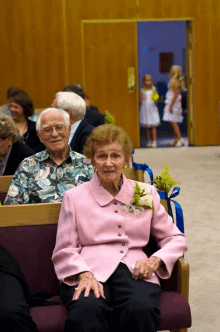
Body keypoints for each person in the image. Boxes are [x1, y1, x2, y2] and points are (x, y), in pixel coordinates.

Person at [52, 124, 187, 332]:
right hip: (90, 270)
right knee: (87, 312)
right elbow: (64, 249)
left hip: (136, 270)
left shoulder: (141, 193)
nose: (108, 163)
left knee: (140, 309)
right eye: (101, 156)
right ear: (92, 160)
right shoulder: (75, 197)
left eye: (115, 156)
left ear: (125, 160)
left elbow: (175, 238)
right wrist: (83, 274)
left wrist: (155, 260)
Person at [4, 108, 94, 205]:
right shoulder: (27, 166)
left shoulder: (87, 164)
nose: (54, 134)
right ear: (40, 136)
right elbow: (12, 207)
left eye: (59, 127)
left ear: (69, 130)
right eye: (47, 130)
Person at [163, 65, 185, 147]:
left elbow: (175, 95)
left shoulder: (174, 81)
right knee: (172, 120)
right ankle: (175, 139)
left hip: (173, 103)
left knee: (173, 121)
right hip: (174, 102)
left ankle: (180, 139)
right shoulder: (175, 81)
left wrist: (171, 106)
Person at [139, 74, 160, 148]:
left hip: (152, 108)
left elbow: (156, 100)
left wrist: (155, 99)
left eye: (149, 80)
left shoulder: (154, 89)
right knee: (147, 126)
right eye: (146, 80)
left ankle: (154, 141)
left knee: (153, 126)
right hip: (145, 108)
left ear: (151, 81)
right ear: (144, 82)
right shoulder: (141, 90)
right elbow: (140, 100)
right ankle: (148, 141)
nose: (148, 82)